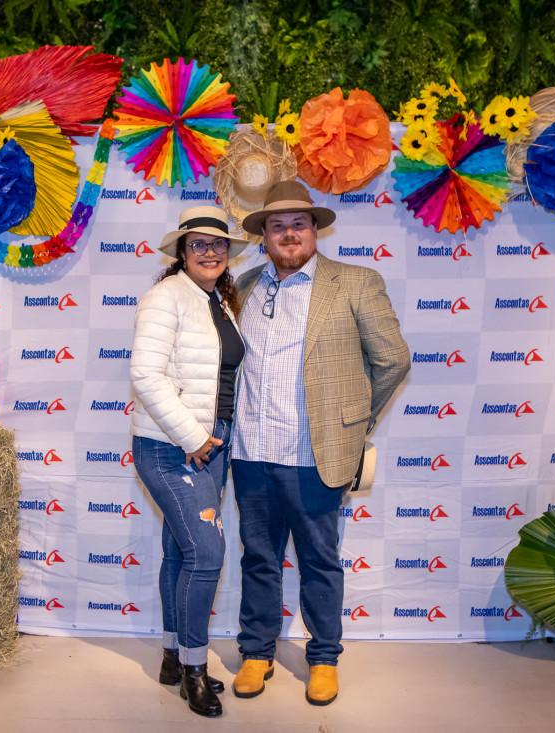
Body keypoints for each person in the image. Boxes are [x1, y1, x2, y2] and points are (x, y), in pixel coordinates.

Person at [229, 180, 410, 706]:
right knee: (258, 559)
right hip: (251, 451)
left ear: (315, 230)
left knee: (319, 561)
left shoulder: (355, 282)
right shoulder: (244, 285)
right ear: (264, 236)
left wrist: (353, 423)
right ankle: (257, 652)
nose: (288, 234)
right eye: (277, 226)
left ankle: (324, 658)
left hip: (313, 454)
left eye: (298, 224)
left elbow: (393, 360)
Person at [129, 205, 248, 718]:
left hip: (210, 443)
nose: (210, 251)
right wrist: (194, 437)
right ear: (181, 251)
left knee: (180, 552)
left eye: (218, 244)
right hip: (171, 445)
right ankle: (194, 671)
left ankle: (173, 658)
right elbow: (145, 374)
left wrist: (211, 438)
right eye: (198, 243)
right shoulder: (166, 297)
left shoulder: (216, 301)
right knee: (207, 553)